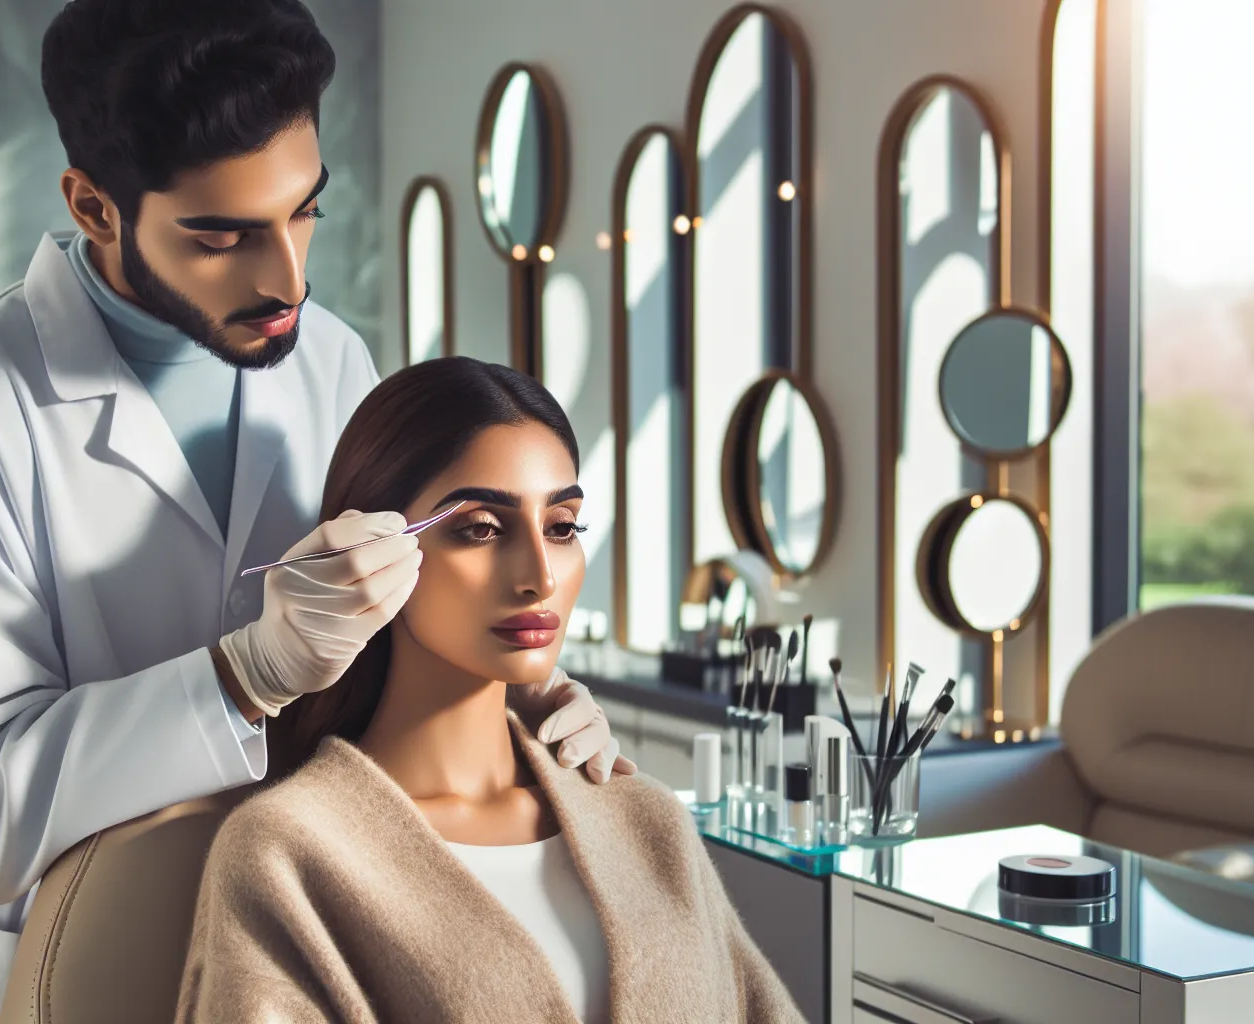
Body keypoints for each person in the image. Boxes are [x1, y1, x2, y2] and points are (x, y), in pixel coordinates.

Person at [0, 2, 631, 1021]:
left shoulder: (331, 358)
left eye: (305, 211)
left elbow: (392, 625)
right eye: (222, 236)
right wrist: (242, 676)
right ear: (95, 207)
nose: (287, 279)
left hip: (301, 943)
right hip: (81, 964)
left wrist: (512, 699)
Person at [176, 358, 804, 1024]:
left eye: (562, 527)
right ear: (370, 550)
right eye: (480, 528)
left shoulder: (647, 819)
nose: (540, 576)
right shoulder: (287, 854)